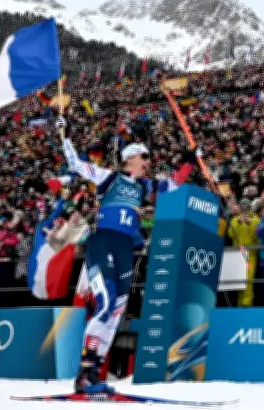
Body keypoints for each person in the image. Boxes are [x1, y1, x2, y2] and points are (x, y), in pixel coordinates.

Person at [55, 116, 178, 394]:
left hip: (126, 249)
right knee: (106, 304)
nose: (148, 162)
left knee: (116, 312)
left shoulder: (144, 186)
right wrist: (66, 135)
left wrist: (192, 160)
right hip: (104, 243)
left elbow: (174, 185)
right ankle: (84, 371)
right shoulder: (109, 178)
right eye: (145, 157)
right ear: (130, 158)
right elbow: (76, 164)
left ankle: (94, 372)